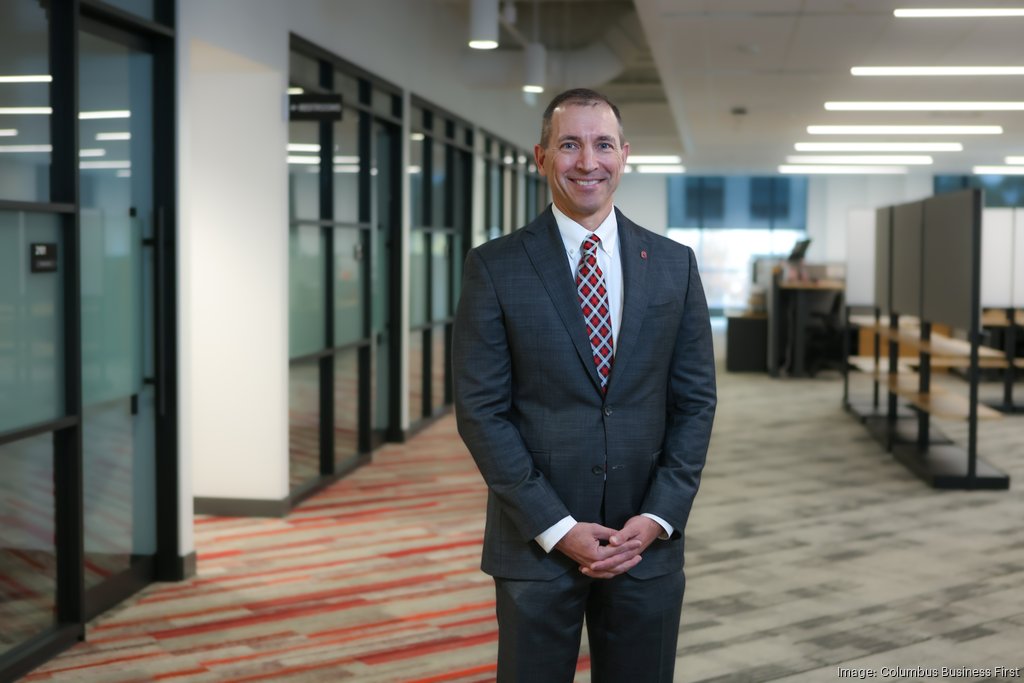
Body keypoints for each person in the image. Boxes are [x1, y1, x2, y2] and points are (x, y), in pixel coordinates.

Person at [452, 88, 716, 683]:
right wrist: (558, 527)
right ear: (541, 157)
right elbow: (481, 410)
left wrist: (660, 515)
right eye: (569, 144)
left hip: (643, 541)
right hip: (535, 541)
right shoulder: (495, 267)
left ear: (625, 154)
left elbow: (695, 402)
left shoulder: (675, 264)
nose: (587, 161)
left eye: (602, 144)